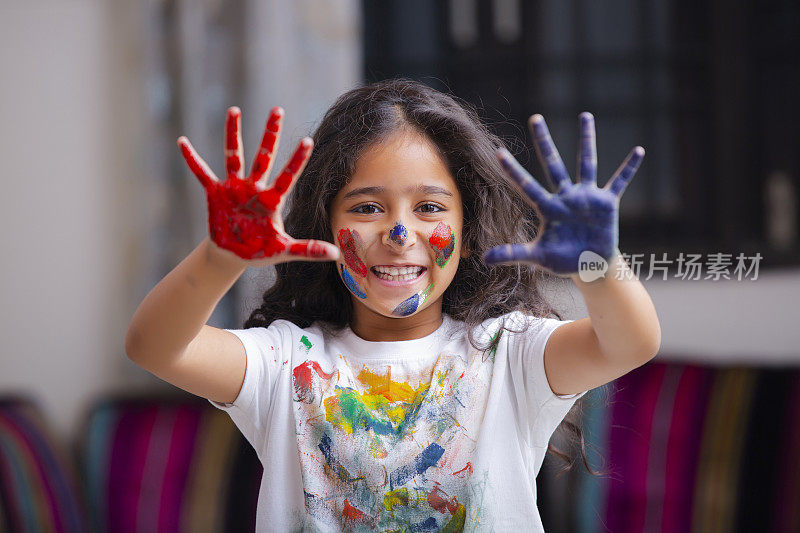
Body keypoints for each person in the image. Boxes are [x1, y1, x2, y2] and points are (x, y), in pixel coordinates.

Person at [125, 78, 661, 532]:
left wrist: (597, 261)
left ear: (467, 234)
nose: (401, 232)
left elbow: (630, 343)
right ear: (325, 228)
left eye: (429, 207)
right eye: (367, 207)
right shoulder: (285, 363)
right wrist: (222, 256)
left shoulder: (510, 355)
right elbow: (155, 347)